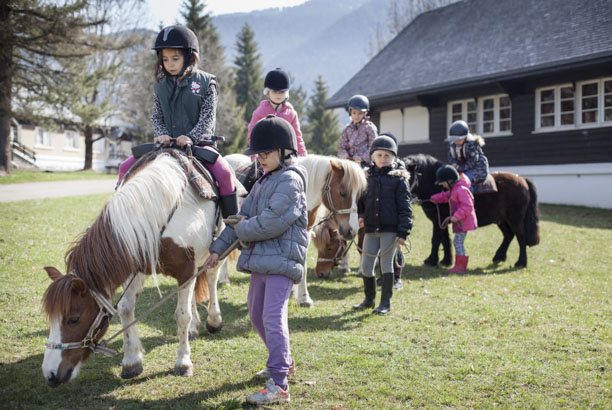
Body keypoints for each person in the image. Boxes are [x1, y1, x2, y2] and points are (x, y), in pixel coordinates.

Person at [203, 115, 308, 405]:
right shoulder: (263, 182)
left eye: (265, 153)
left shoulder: (290, 181)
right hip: (261, 259)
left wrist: (241, 229)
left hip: (282, 262)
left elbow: (270, 223)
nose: (259, 159)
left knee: (272, 317)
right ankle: (283, 362)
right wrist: (217, 251)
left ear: (285, 152)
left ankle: (279, 384)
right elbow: (240, 218)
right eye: (257, 154)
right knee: (255, 315)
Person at [118, 25, 238, 217]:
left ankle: (232, 224)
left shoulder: (207, 83)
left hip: (199, 144)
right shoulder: (160, 85)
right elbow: (157, 116)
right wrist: (161, 134)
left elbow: (207, 118)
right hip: (167, 144)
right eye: (165, 59)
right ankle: (119, 217)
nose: (170, 64)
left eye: (175, 58)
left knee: (224, 173)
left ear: (189, 58)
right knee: (125, 167)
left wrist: (190, 137)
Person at [354, 135, 412, 315]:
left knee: (386, 265)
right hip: (371, 229)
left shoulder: (399, 180)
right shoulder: (366, 177)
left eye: (387, 156)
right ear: (372, 157)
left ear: (394, 158)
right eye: (379, 155)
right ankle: (369, 299)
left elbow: (405, 208)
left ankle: (385, 303)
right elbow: (361, 201)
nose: (383, 159)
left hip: (390, 230)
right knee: (366, 265)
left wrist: (403, 232)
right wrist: (361, 216)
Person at [430, 165, 478, 273]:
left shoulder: (461, 189)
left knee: (457, 242)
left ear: (450, 181)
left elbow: (468, 206)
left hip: (463, 222)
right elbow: (447, 195)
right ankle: (459, 265)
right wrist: (436, 198)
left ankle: (460, 267)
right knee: (458, 242)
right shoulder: (455, 189)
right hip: (460, 222)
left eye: (444, 184)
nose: (444, 186)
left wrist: (457, 216)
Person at [338, 94, 378, 167]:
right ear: (350, 113)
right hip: (349, 162)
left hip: (365, 163)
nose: (356, 116)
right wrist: (344, 155)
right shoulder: (347, 129)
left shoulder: (369, 128)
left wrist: (362, 158)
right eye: (354, 113)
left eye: (360, 113)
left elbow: (373, 147)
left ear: (365, 113)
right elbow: (341, 146)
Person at [447, 120, 489, 186]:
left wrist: (460, 167)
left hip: (476, 169)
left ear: (465, 137)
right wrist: (454, 164)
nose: (456, 142)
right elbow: (451, 157)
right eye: (454, 139)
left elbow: (472, 161)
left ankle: (467, 196)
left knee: (464, 181)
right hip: (460, 169)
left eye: (459, 140)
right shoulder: (452, 145)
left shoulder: (471, 144)